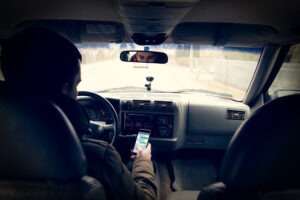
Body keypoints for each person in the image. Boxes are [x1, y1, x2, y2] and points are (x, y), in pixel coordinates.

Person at [1, 27, 157, 200]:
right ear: (64, 88)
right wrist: (143, 162)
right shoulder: (98, 157)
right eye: (76, 85)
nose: (76, 93)